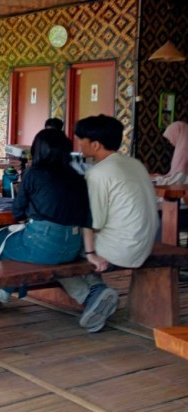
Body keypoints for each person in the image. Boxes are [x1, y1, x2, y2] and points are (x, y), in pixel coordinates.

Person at [62, 115, 158, 333]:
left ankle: (90, 295)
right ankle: (97, 292)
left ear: (95, 145)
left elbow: (93, 221)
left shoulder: (98, 173)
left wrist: (91, 251)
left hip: (119, 249)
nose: (78, 145)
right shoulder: (135, 164)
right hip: (144, 245)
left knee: (57, 248)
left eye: (81, 140)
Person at [0, 129, 91, 302]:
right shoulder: (78, 176)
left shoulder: (34, 173)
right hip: (73, 246)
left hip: (42, 243)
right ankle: (6, 287)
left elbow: (18, 212)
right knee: (7, 242)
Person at [153, 120, 188, 186]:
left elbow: (177, 181)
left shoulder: (183, 153)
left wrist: (154, 181)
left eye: (171, 137)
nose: (170, 141)